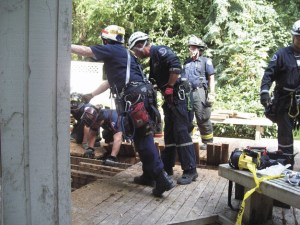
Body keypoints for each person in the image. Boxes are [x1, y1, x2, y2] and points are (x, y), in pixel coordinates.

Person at [71, 25, 174, 197]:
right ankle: (149, 175)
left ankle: (161, 178)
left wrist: (63, 45)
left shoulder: (112, 50)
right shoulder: (122, 56)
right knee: (140, 137)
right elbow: (111, 82)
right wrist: (91, 95)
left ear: (106, 40)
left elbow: (86, 50)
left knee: (143, 138)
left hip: (134, 101)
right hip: (140, 99)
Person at [128, 31, 198, 185]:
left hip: (178, 95)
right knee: (169, 133)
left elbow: (175, 66)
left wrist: (170, 87)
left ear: (140, 46)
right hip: (170, 99)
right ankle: (167, 167)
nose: (136, 54)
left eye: (135, 51)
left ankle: (191, 170)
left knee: (181, 131)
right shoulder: (153, 60)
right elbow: (154, 80)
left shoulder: (160, 51)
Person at [260, 19, 300, 169]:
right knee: (285, 138)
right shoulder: (281, 55)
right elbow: (268, 75)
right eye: (298, 37)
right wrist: (264, 92)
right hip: (284, 102)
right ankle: (286, 166)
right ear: (293, 36)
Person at [181, 35, 215, 150]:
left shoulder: (206, 61)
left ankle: (207, 142)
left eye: (193, 47)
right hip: (187, 93)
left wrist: (212, 93)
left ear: (199, 49)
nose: (191, 50)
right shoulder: (187, 63)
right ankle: (187, 141)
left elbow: (211, 78)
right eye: (190, 47)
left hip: (199, 92)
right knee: (186, 117)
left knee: (202, 117)